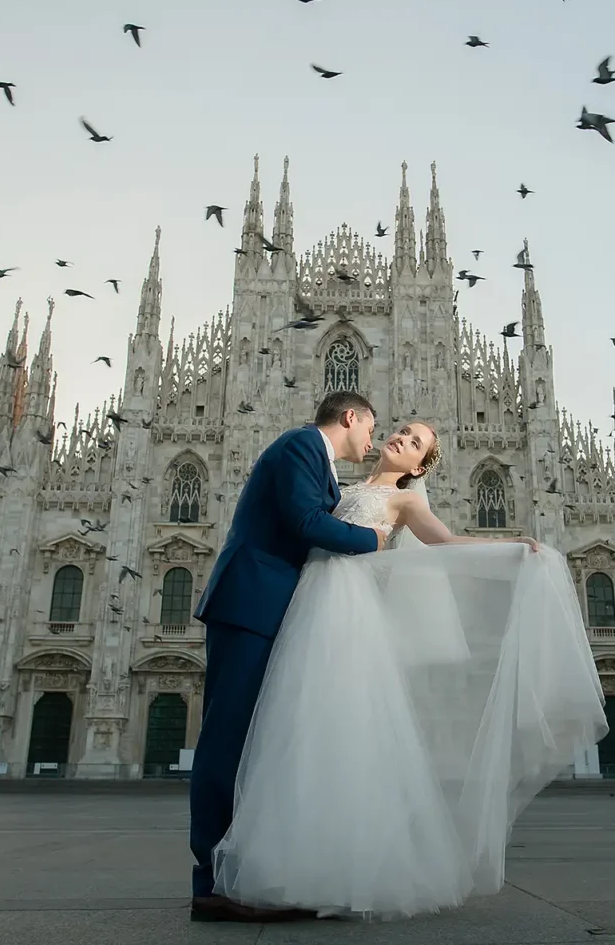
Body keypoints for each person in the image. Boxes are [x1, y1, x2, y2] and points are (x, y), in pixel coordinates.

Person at [210, 419, 608, 921]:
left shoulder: (407, 500)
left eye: (415, 442)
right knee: (299, 733)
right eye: (400, 430)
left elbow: (443, 543)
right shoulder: (338, 485)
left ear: (419, 466)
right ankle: (301, 864)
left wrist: (511, 545)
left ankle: (343, 869)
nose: (400, 437)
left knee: (346, 731)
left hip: (347, 615)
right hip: (304, 608)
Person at [188, 390, 389, 923]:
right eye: (372, 427)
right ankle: (210, 884)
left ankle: (243, 875)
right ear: (351, 418)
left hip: (271, 610)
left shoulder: (315, 462)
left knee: (256, 746)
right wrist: (375, 539)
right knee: (226, 743)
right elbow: (305, 524)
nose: (374, 440)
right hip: (250, 605)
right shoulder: (299, 446)